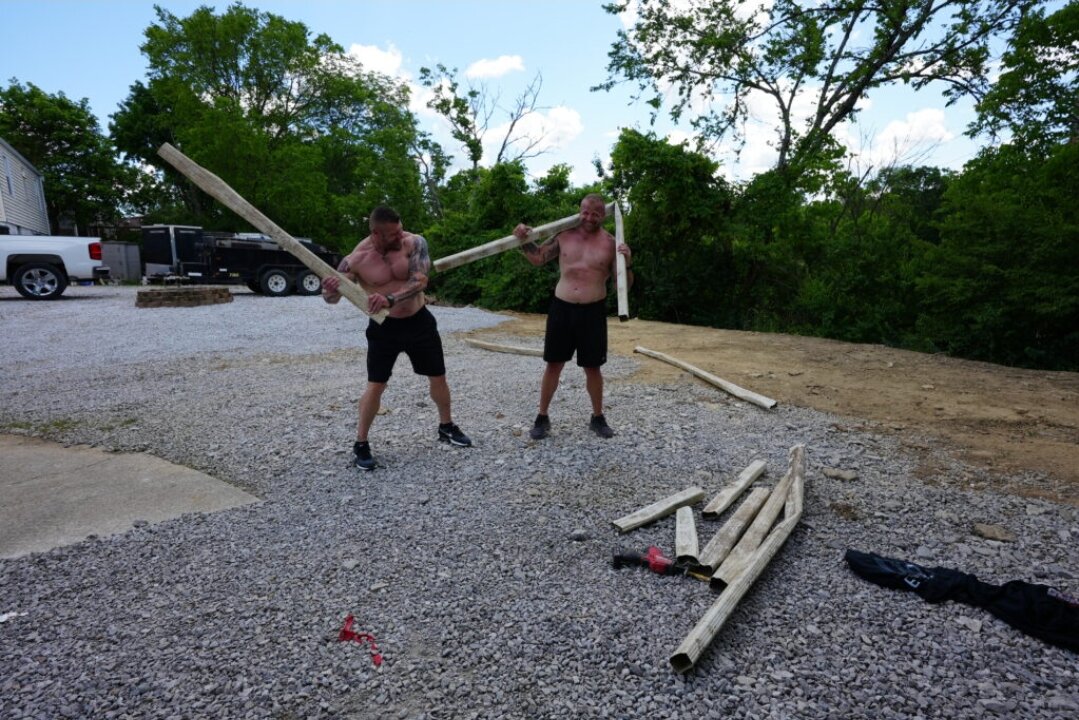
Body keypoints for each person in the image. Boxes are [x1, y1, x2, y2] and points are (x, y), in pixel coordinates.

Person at [322, 205, 471, 471]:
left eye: (400, 229)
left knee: (438, 376)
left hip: (419, 321)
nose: (400, 236)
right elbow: (331, 299)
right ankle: (361, 443)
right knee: (376, 384)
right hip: (384, 328)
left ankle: (446, 426)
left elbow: (420, 281)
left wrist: (389, 298)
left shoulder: (414, 243)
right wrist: (330, 290)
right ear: (376, 234)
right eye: (393, 234)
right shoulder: (355, 259)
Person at [513, 193, 632, 439]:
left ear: (603, 215)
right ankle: (542, 417)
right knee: (553, 364)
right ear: (580, 210)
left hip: (592, 311)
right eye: (585, 212)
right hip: (562, 309)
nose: (589, 218)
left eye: (595, 214)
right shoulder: (564, 235)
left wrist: (627, 263)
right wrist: (523, 239)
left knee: (593, 367)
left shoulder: (611, 243)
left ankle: (598, 417)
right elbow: (538, 258)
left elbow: (624, 286)